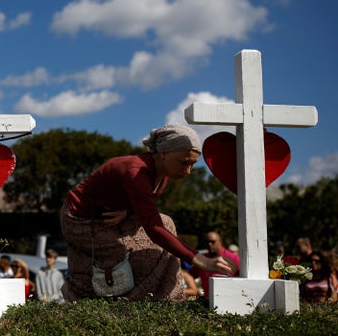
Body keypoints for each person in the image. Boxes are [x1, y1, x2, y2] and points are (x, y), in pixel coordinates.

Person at [61, 124, 235, 301]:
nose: (188, 171)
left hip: (115, 216)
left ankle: (169, 297)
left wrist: (127, 210)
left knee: (167, 223)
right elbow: (153, 227)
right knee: (138, 256)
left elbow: (140, 202)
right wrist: (199, 259)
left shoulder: (163, 173)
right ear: (163, 153)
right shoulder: (136, 171)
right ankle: (130, 300)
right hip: (80, 220)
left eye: (192, 164)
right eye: (184, 162)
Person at [189, 231, 240, 298]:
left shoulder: (233, 258)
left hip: (229, 299)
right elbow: (190, 275)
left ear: (220, 242)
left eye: (212, 241)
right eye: (207, 242)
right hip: (207, 302)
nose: (209, 244)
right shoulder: (202, 259)